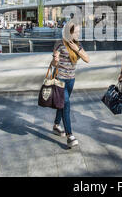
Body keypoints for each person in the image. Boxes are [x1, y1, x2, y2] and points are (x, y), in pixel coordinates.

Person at [51, 20, 90, 148]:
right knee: (66, 104)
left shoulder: (78, 44)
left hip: (71, 80)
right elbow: (53, 64)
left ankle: (56, 125)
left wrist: (77, 49)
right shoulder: (59, 43)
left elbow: (87, 59)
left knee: (61, 104)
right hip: (60, 79)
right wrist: (55, 60)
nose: (79, 34)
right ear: (70, 32)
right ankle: (70, 135)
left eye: (79, 32)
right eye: (77, 32)